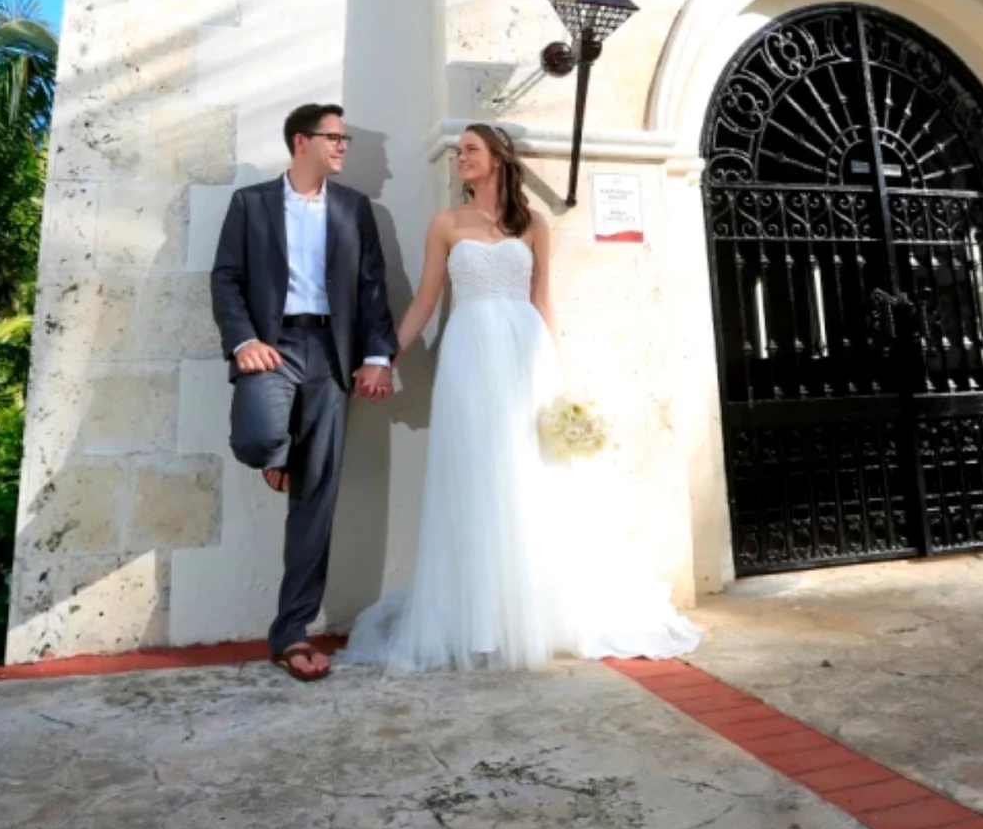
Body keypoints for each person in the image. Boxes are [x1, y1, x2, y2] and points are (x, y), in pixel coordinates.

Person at [344, 124, 700, 671]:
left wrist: (558, 382)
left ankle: (534, 610)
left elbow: (543, 300)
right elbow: (425, 301)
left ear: (498, 158)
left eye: (471, 150)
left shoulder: (532, 223)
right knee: (477, 477)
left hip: (524, 356)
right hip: (467, 357)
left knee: (530, 477)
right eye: (458, 150)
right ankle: (480, 620)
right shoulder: (445, 224)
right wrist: (382, 358)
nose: (460, 158)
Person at [210, 103, 397, 683]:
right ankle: (279, 453)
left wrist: (376, 356)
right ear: (301, 141)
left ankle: (290, 633)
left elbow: (370, 284)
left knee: (316, 502)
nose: (343, 147)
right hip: (274, 345)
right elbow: (226, 278)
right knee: (262, 432)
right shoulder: (252, 204)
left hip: (332, 356)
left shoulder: (353, 208)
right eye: (334, 137)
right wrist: (243, 343)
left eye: (344, 138)